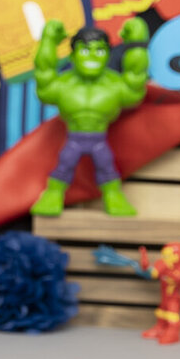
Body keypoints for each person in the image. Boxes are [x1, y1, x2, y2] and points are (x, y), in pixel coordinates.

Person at [29, 19, 150, 216]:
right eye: (85, 50)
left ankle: (113, 197)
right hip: (74, 138)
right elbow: (44, 74)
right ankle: (53, 195)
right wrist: (49, 41)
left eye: (99, 51)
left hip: (99, 139)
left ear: (108, 55)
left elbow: (136, 81)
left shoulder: (115, 85)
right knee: (64, 164)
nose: (92, 56)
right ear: (73, 56)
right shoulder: (62, 85)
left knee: (106, 166)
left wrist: (136, 44)